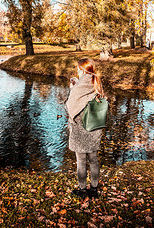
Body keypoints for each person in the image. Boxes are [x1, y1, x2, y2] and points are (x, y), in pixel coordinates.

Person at [65, 57, 104, 199]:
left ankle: (82, 191)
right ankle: (94, 190)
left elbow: (70, 107)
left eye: (78, 68)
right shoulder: (96, 82)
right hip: (94, 126)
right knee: (94, 159)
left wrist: (71, 89)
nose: (76, 70)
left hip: (79, 127)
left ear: (82, 70)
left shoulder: (78, 86)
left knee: (81, 161)